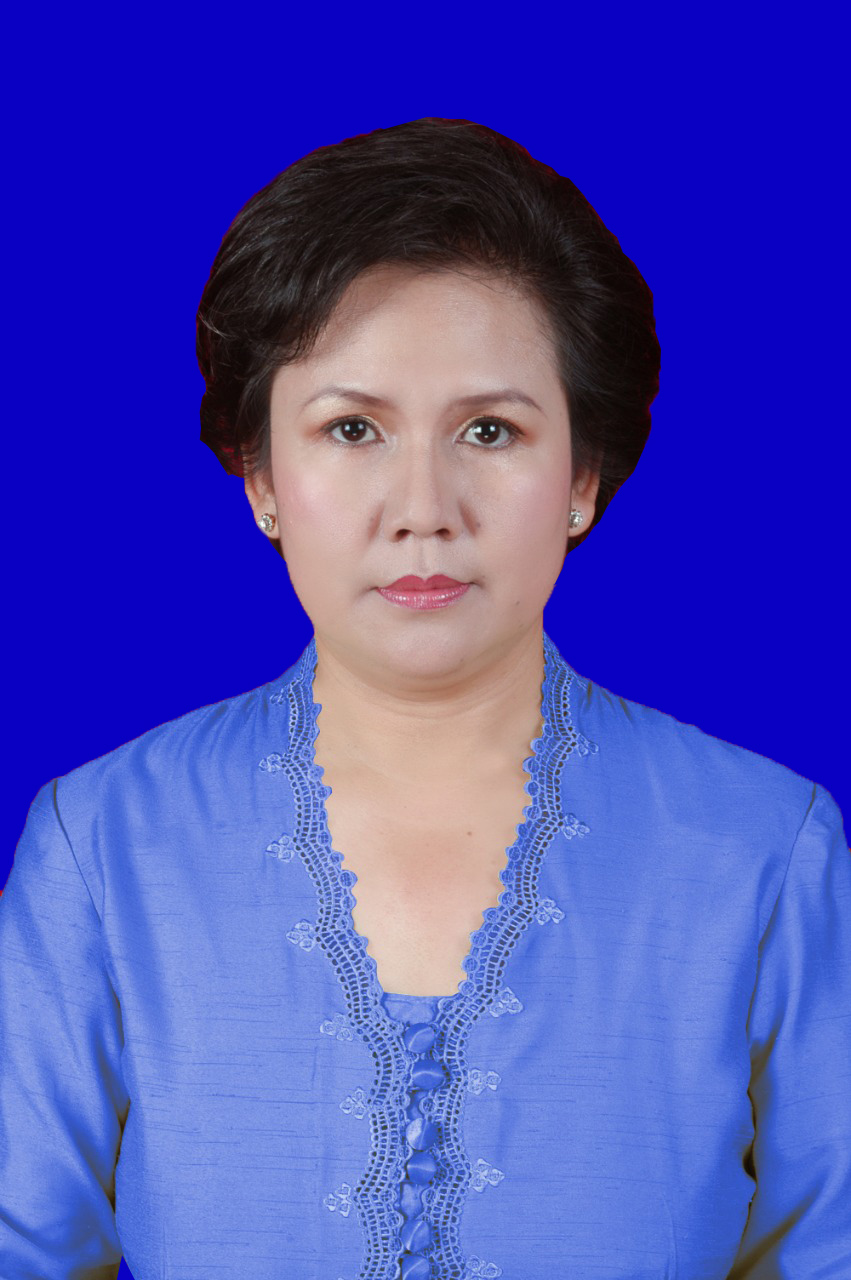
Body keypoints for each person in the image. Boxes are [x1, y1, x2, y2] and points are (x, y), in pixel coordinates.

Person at [1, 118, 849, 1280]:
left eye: (489, 430)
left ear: (582, 473)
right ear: (259, 474)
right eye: (351, 428)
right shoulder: (104, 847)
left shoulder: (761, 851)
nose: (422, 508)